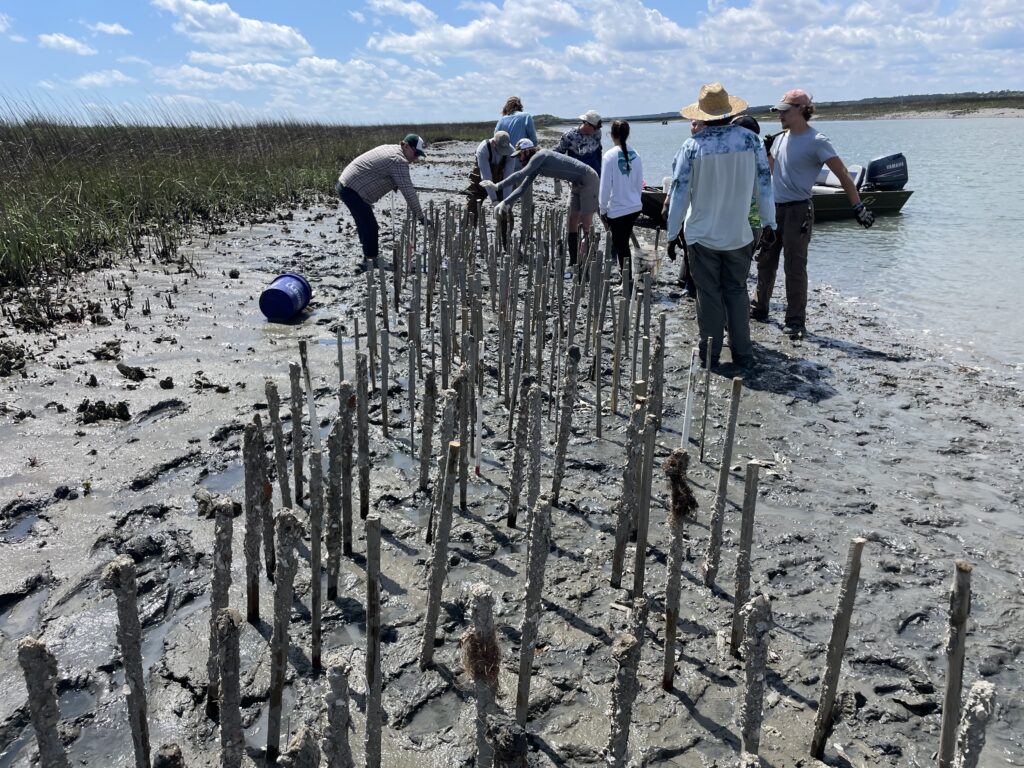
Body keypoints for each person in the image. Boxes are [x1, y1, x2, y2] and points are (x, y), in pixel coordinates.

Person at [666, 83, 776, 372]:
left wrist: (672, 232)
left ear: (702, 114)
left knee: (709, 295)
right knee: (737, 291)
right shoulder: (751, 141)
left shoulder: (692, 146)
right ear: (729, 112)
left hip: (701, 236)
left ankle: (710, 355)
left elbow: (679, 192)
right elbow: (764, 186)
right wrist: (770, 222)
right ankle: (743, 354)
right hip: (739, 233)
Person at [750, 89, 875, 338]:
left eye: (785, 111)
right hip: (774, 210)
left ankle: (795, 321)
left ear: (802, 110)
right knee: (765, 261)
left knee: (794, 267)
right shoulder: (780, 138)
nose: (780, 116)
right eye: (779, 111)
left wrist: (858, 207)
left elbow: (843, 174)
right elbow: (775, 172)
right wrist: (767, 152)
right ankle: (759, 309)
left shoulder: (817, 140)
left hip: (799, 211)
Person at [479, 138, 600, 270]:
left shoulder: (540, 155)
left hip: (588, 178)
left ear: (527, 151)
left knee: (586, 223)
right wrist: (504, 202)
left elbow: (520, 174)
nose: (519, 159)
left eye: (520, 155)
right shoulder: (535, 166)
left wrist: (497, 186)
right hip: (576, 183)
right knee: (572, 220)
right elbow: (522, 189)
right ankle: (573, 262)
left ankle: (590, 261)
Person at [336, 134, 430, 267]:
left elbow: (386, 174)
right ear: (406, 146)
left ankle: (368, 256)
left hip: (345, 184)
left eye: (418, 155)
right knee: (370, 226)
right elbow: (409, 192)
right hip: (352, 190)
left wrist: (396, 184)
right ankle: (371, 260)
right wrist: (421, 217)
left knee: (364, 223)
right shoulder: (399, 160)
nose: (416, 158)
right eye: (415, 154)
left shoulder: (391, 149)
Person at [554, 110, 603, 263]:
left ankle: (588, 258)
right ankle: (574, 258)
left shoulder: (597, 134)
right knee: (572, 217)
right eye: (594, 127)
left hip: (592, 181)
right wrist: (557, 180)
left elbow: (599, 156)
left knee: (586, 219)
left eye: (597, 128)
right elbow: (556, 155)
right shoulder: (569, 136)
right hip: (575, 181)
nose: (596, 130)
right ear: (586, 124)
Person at [598, 120, 643, 288]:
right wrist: (635, 201)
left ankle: (626, 281)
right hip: (634, 207)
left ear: (612, 135)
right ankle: (625, 277)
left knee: (621, 246)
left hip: (618, 210)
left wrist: (602, 208)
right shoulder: (636, 154)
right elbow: (639, 183)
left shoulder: (609, 156)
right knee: (622, 243)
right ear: (627, 134)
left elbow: (605, 186)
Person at [495, 96, 539, 237]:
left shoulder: (502, 120)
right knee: (526, 201)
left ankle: (502, 230)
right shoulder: (526, 117)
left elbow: (496, 141)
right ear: (520, 106)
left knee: (508, 199)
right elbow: (534, 141)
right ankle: (525, 233)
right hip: (523, 165)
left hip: (506, 166)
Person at [465, 130, 516, 245]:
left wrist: (505, 202)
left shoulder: (511, 152)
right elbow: (486, 177)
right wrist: (494, 201)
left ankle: (506, 242)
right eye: (500, 150)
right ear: (494, 143)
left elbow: (508, 179)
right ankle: (467, 240)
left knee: (506, 210)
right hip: (481, 180)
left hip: (501, 180)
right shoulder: (483, 149)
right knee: (471, 206)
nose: (503, 153)